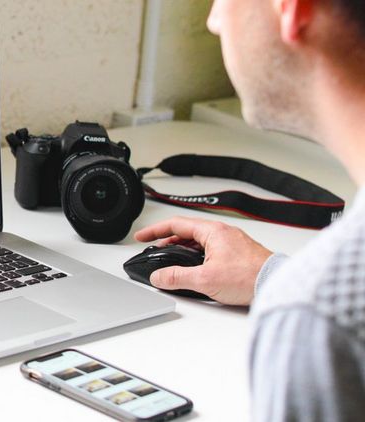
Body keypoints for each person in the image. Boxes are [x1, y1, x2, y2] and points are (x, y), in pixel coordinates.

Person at [133, 0, 365, 420]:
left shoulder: (318, 320)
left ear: (293, 9)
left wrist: (300, 296)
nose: (214, 21)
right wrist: (270, 276)